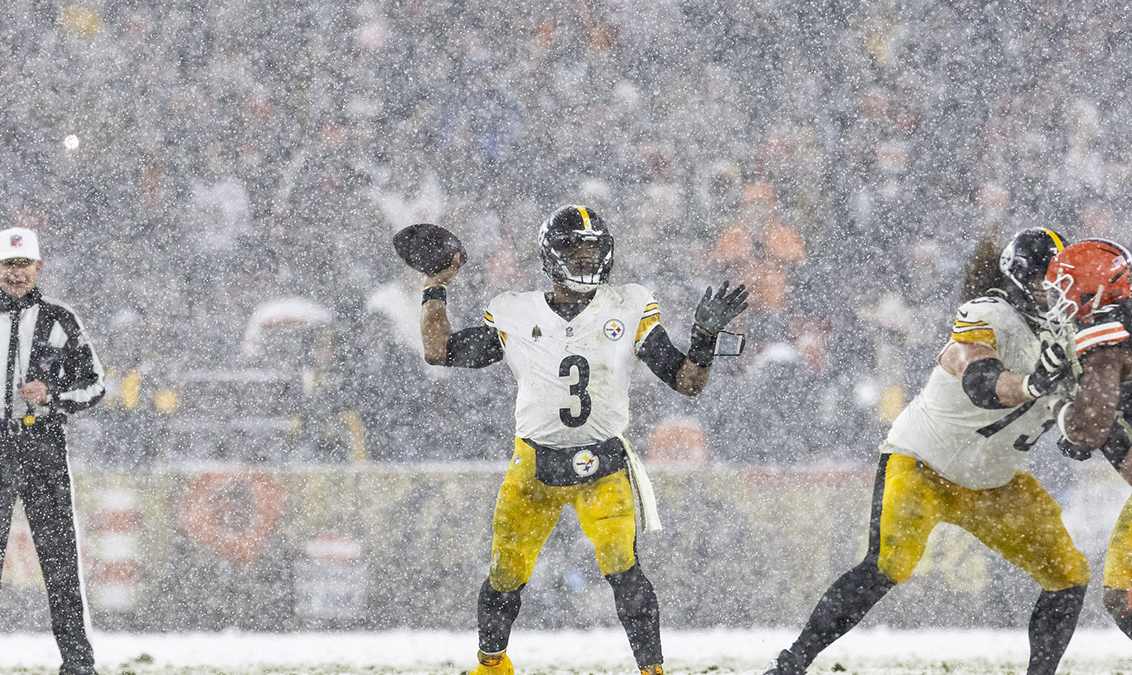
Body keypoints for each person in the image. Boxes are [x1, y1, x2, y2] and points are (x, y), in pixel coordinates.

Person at [419, 205, 748, 675]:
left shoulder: (627, 304)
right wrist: (435, 287)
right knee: (506, 575)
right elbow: (439, 351)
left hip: (604, 465)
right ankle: (491, 665)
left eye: (592, 250)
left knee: (624, 570)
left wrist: (702, 339)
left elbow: (687, 381)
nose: (585, 261)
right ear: (551, 255)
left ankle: (652, 671)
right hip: (534, 467)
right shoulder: (516, 311)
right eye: (574, 250)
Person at [767, 227, 1089, 675]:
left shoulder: (1072, 340)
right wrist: (1035, 383)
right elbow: (981, 384)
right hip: (923, 464)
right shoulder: (988, 314)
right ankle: (791, 663)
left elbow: (1073, 418)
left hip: (992, 481)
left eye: (1060, 284)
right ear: (1019, 279)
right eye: (1044, 282)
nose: (1055, 294)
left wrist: (1079, 430)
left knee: (1069, 576)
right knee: (887, 565)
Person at [0, 228, 105, 675]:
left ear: (38, 267)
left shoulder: (62, 320)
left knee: (60, 560)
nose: (16, 272)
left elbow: (95, 385)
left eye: (24, 263)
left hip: (42, 443)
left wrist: (52, 394)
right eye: (8, 264)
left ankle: (78, 665)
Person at [1044, 238, 1132, 640]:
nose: (1055, 302)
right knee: (1120, 595)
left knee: (1123, 597)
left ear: (1096, 288)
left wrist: (1061, 412)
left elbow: (1090, 426)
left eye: (1062, 289)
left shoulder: (1105, 325)